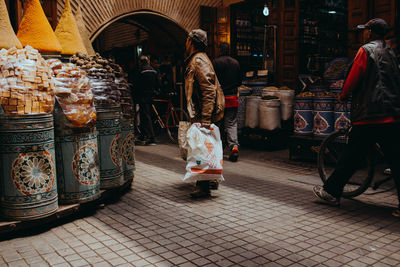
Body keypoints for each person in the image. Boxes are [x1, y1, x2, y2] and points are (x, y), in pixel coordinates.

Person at [312, 18, 400, 218]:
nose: (363, 34)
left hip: (370, 114)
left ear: (370, 32)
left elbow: (353, 78)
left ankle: (331, 192)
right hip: (392, 114)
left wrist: (343, 95)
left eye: (365, 30)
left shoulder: (365, 51)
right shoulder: (390, 52)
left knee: (350, 156)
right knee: (396, 160)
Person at [184, 29, 225, 198]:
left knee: (202, 149)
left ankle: (203, 186)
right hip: (203, 112)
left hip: (205, 113)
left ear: (191, 42)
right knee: (206, 148)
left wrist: (206, 120)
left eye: (187, 40)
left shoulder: (199, 60)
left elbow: (208, 91)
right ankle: (209, 180)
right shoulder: (198, 59)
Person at [213, 42, 242, 162]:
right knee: (231, 123)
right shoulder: (235, 63)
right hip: (233, 97)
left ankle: (218, 148)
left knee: (218, 123)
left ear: (220, 50)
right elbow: (239, 82)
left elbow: (212, 81)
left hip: (220, 98)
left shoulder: (216, 62)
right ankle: (234, 146)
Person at [135, 55, 160, 145]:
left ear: (141, 62)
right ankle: (143, 135)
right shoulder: (153, 70)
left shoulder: (141, 71)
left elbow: (137, 84)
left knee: (146, 116)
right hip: (152, 96)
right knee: (148, 115)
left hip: (143, 96)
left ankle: (152, 137)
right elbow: (158, 83)